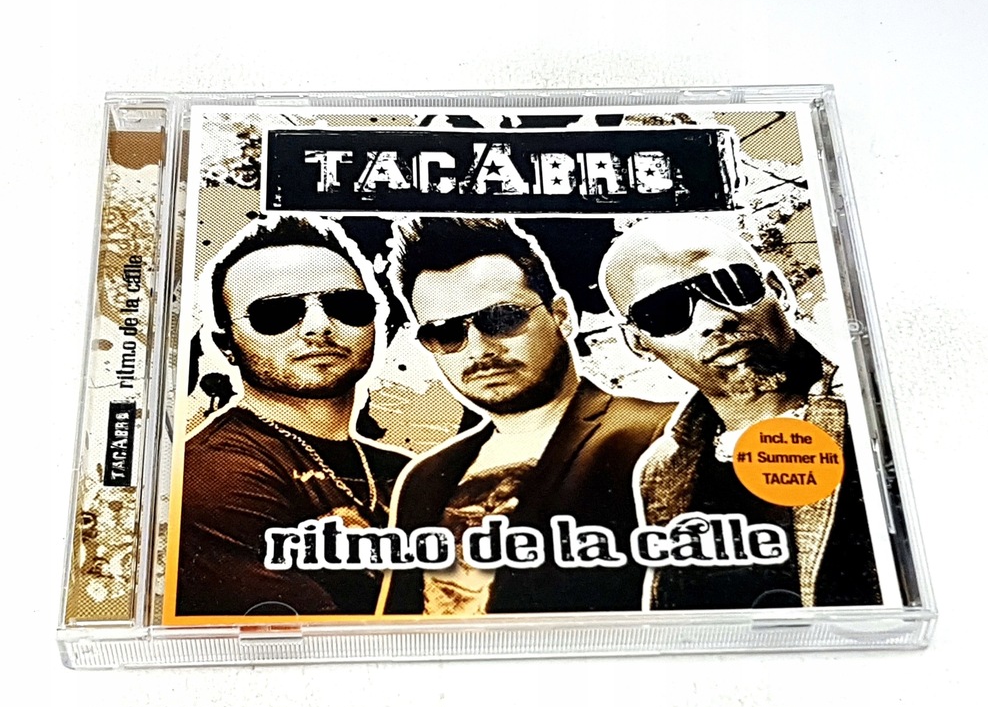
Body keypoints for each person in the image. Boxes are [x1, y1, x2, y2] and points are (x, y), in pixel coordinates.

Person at [379, 217, 674, 616]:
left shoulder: (660, 434)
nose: (479, 349)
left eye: (502, 318)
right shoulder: (423, 478)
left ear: (562, 316)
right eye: (446, 333)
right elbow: (395, 626)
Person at [600, 214, 881, 610]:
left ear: (777, 289)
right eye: (665, 311)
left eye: (729, 284)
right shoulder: (661, 469)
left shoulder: (876, 418)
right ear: (638, 343)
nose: (715, 319)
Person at [174, 215, 409, 617]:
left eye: (346, 306)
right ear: (226, 345)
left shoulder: (410, 471)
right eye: (275, 314)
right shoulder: (215, 472)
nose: (319, 327)